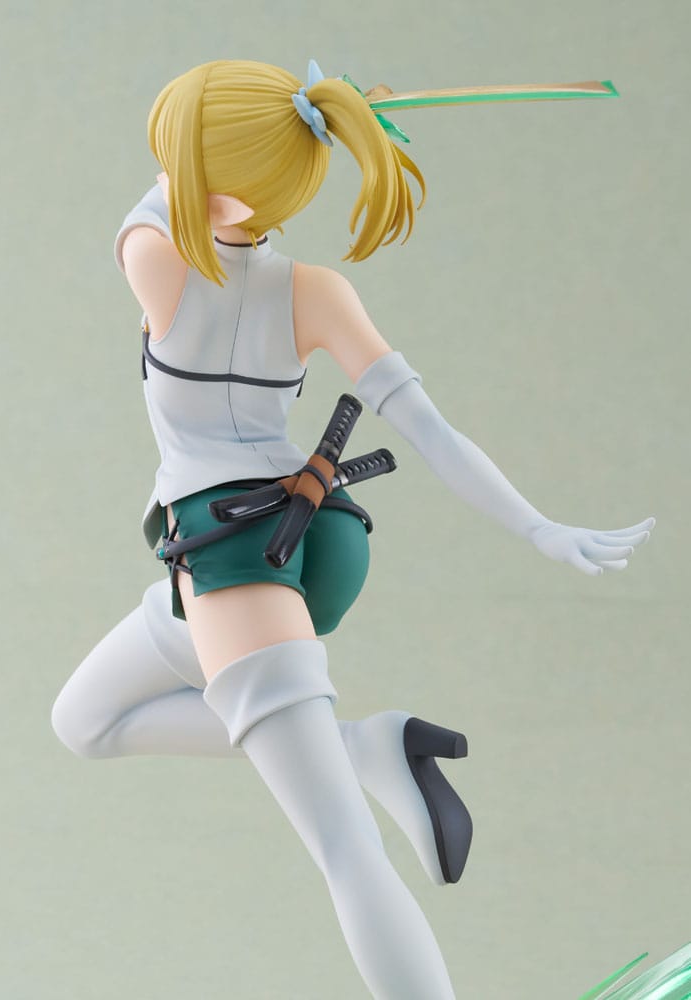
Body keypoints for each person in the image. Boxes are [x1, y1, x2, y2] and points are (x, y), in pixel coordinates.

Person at [51, 59, 653, 999]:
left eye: (181, 162)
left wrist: (304, 127)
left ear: (216, 198)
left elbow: (156, 201)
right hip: (282, 542)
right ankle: (368, 748)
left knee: (344, 846)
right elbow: (434, 432)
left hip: (236, 557)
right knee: (83, 721)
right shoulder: (316, 292)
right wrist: (305, 134)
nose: (164, 173)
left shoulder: (159, 265)